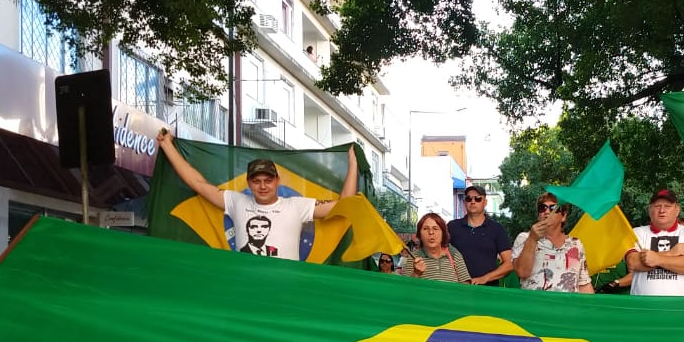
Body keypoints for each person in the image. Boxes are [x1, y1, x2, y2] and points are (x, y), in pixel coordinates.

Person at [155, 129, 357, 260]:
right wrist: (167, 146)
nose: (262, 186)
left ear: (277, 181)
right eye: (256, 181)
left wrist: (353, 164)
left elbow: (345, 206)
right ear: (248, 182)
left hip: (288, 288)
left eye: (268, 180)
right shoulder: (236, 201)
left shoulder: (297, 206)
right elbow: (198, 183)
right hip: (246, 288)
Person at [624, 189, 684, 296]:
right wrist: (671, 253)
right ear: (649, 209)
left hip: (678, 305)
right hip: (642, 304)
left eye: (667, 206)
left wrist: (656, 259)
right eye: (657, 206)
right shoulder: (635, 233)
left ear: (677, 210)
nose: (662, 210)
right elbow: (632, 262)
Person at [513, 193, 593, 293]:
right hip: (535, 302)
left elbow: (584, 284)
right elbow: (522, 272)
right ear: (538, 215)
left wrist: (595, 303)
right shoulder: (524, 238)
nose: (547, 212)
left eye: (553, 208)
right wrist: (532, 239)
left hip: (568, 303)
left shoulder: (575, 244)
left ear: (563, 216)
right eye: (542, 208)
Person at [447, 184, 514, 285]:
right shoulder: (452, 227)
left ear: (485, 202)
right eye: (469, 198)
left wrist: (484, 278)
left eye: (478, 198)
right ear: (464, 202)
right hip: (457, 287)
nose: (473, 201)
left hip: (487, 290)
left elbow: (509, 264)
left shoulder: (497, 229)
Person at [401, 213, 471, 282]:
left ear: (443, 233)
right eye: (425, 229)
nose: (431, 232)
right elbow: (405, 287)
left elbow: (465, 284)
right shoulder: (413, 258)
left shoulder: (454, 254)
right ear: (420, 234)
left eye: (435, 228)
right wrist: (416, 273)